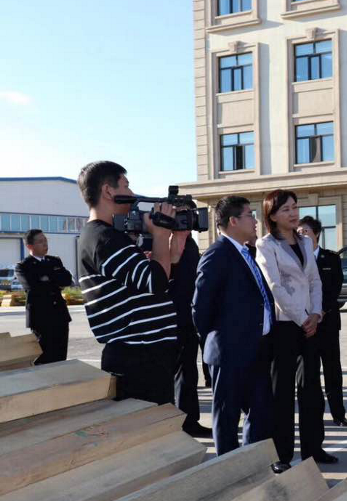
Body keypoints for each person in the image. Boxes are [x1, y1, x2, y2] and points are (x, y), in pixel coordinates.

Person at [76, 161, 180, 404]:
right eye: (126, 186)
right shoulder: (104, 238)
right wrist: (160, 233)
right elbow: (156, 282)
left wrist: (174, 240)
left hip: (145, 355)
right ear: (108, 191)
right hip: (137, 359)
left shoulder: (108, 237)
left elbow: (157, 276)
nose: (132, 194)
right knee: (148, 427)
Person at [256, 191, 336, 473]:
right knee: (282, 393)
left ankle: (314, 448)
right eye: (286, 209)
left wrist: (316, 314)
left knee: (312, 390)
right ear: (272, 215)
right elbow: (275, 287)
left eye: (295, 207)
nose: (293, 213)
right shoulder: (266, 245)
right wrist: (303, 318)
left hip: (311, 325)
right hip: (285, 327)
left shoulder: (304, 241)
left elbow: (315, 280)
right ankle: (282, 454)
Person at [193, 196, 274, 456]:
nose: (255, 220)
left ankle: (250, 462)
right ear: (233, 221)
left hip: (256, 348)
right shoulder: (217, 254)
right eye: (250, 215)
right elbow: (200, 307)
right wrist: (219, 339)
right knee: (227, 416)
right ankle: (228, 466)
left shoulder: (246, 252)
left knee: (260, 410)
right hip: (229, 352)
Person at [298, 216, 347, 427]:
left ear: (317, 234)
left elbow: (335, 288)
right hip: (304, 325)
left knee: (332, 370)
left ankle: (339, 414)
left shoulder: (331, 258)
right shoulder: (294, 259)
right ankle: (312, 416)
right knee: (308, 373)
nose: (302, 235)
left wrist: (321, 311)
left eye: (305, 231)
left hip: (327, 323)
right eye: (298, 232)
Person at [168, 228, 212, 437]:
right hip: (170, 317)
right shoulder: (163, 240)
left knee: (188, 373)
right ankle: (173, 423)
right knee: (172, 374)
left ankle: (189, 421)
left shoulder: (191, 243)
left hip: (189, 317)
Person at [15, 229, 73, 364]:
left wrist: (47, 278)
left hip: (59, 314)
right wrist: (55, 280)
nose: (45, 244)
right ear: (30, 246)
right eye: (40, 241)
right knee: (43, 357)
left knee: (60, 356)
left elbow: (66, 280)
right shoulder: (23, 266)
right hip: (41, 316)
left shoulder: (55, 261)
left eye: (45, 240)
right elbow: (33, 287)